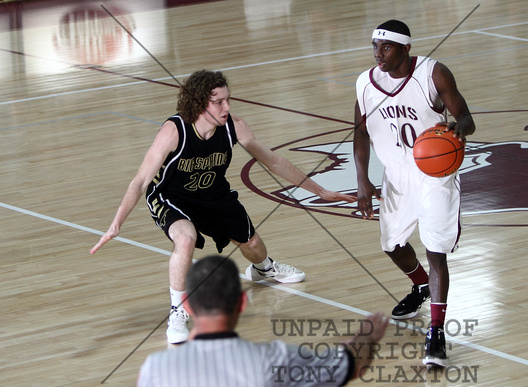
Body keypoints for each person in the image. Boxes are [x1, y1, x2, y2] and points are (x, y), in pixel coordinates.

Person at [90, 70, 355, 344]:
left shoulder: (235, 127)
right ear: (200, 102)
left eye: (228, 100)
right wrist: (116, 224)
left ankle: (264, 269)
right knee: (185, 238)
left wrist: (320, 190)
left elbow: (273, 162)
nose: (227, 107)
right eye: (218, 102)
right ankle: (178, 310)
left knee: (252, 245)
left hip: (213, 194)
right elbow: (141, 180)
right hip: (171, 197)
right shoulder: (174, 131)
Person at [353, 20, 475, 367]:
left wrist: (458, 128)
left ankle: (436, 332)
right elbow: (360, 133)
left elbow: (466, 117)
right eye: (375, 46)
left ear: (406, 49)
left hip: (436, 174)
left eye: (387, 47)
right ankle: (420, 286)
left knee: (436, 250)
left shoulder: (433, 73)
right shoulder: (365, 82)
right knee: (392, 245)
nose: (378, 54)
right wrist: (363, 179)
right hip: (396, 176)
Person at [137, 255, 389, 386]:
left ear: (188, 305)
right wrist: (367, 336)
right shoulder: (277, 358)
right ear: (242, 302)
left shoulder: (155, 368)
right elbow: (352, 366)